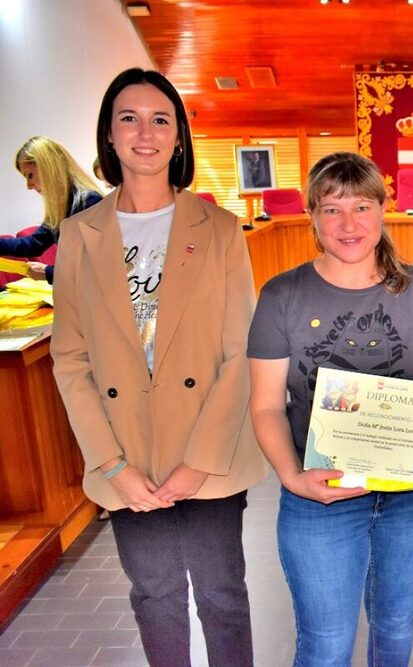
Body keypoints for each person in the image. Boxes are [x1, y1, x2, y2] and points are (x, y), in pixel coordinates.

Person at [50, 67, 265, 667]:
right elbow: (70, 360)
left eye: (160, 119)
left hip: (207, 452)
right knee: (155, 596)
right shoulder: (79, 236)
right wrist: (111, 464)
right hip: (128, 456)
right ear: (110, 137)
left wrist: (198, 463)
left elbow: (239, 352)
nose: (145, 132)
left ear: (179, 137)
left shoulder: (219, 228)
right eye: (129, 118)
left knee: (223, 598)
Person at [247, 151, 413, 667]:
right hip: (320, 495)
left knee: (393, 627)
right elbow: (266, 406)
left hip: (411, 497)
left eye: (362, 207)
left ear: (383, 210)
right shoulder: (282, 296)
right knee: (325, 643)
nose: (349, 224)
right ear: (313, 218)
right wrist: (292, 476)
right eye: (332, 209)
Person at [3, 136, 102, 283]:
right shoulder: (61, 208)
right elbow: (34, 244)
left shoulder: (89, 202)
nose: (29, 186)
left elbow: (97, 267)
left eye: (30, 175)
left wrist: (48, 273)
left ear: (49, 167)